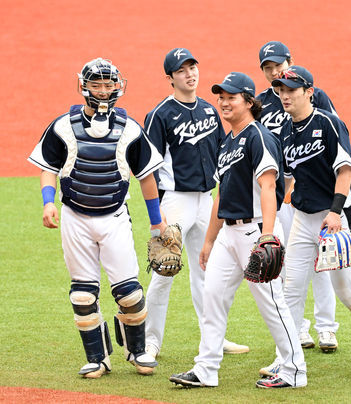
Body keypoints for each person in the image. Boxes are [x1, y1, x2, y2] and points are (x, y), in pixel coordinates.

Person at [28, 58, 164, 378]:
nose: (103, 91)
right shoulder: (63, 126)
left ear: (118, 86)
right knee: (83, 294)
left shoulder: (130, 129)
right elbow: (48, 167)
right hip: (75, 217)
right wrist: (49, 203)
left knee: (129, 292)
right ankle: (97, 357)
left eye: (108, 85)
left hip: (115, 216)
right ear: (83, 86)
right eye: (96, 85)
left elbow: (146, 176)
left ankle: (137, 351)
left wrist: (157, 221)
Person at [169, 72, 306, 389]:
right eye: (220, 97)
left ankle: (294, 371)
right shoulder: (228, 140)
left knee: (272, 304)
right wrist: (208, 240)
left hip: (256, 230)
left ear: (249, 101)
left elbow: (269, 186)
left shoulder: (259, 136)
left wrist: (268, 235)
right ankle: (206, 369)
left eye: (231, 97)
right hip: (228, 236)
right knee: (212, 297)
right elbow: (221, 195)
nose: (223, 102)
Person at [259, 66, 351, 376]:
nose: (284, 95)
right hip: (302, 220)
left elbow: (345, 170)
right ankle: (288, 357)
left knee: (346, 290)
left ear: (309, 92)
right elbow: (289, 175)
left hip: (334, 217)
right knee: (291, 288)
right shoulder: (285, 130)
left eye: (291, 90)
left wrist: (336, 211)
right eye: (281, 90)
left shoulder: (329, 123)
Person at [143, 48, 249, 359]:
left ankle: (215, 339)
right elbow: (148, 169)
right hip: (175, 202)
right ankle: (149, 343)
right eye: (182, 70)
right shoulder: (159, 115)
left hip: (207, 202)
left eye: (193, 67)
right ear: (170, 78)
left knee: (209, 271)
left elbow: (222, 156)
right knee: (164, 271)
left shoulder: (208, 110)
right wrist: (157, 215)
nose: (190, 74)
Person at [257, 41, 339, 352]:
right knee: (291, 263)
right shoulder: (262, 103)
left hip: (312, 191)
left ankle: (327, 328)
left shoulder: (311, 97)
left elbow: (333, 138)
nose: (274, 71)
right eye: (267, 68)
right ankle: (299, 329)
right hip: (279, 193)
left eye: (278, 64)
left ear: (290, 61)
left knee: (322, 261)